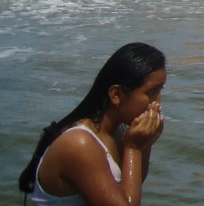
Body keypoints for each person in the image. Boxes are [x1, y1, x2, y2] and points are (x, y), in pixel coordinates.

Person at [20, 42, 166, 206]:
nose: (158, 102)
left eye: (161, 90)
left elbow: (132, 183)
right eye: (152, 92)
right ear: (116, 95)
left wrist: (145, 143)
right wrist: (134, 147)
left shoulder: (119, 130)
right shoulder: (79, 144)